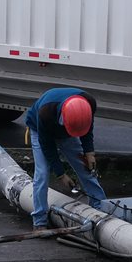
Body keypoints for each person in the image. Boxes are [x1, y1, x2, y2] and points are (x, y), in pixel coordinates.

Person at [24, 87, 107, 229]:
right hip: (40, 132)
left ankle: (101, 208)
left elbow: (87, 128)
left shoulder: (89, 103)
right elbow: (47, 147)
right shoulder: (46, 112)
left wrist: (89, 152)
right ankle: (39, 221)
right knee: (42, 174)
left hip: (68, 132)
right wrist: (61, 174)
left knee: (85, 168)